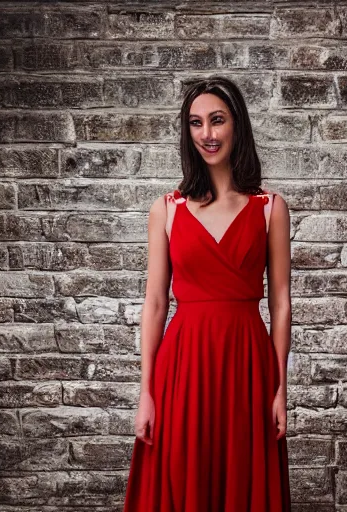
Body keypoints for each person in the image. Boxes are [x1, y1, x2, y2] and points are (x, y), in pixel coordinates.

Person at [123, 75, 292, 511]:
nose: (207, 134)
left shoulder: (270, 207)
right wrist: (146, 392)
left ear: (237, 125)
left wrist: (280, 388)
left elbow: (281, 303)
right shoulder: (166, 209)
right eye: (196, 123)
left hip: (247, 362)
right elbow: (156, 302)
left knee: (242, 480)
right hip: (182, 365)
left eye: (217, 121)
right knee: (184, 477)